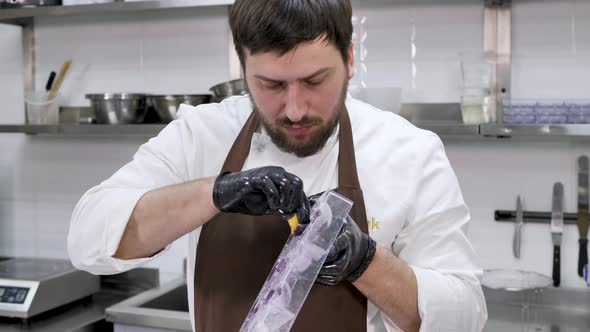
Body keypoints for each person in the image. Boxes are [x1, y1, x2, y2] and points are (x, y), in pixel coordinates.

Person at [68, 0, 487, 331]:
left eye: (314, 81)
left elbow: (465, 315)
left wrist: (366, 262)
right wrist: (212, 193)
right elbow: (88, 239)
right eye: (270, 85)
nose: (295, 109)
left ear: (350, 59)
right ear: (243, 69)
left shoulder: (410, 153)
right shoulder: (200, 136)